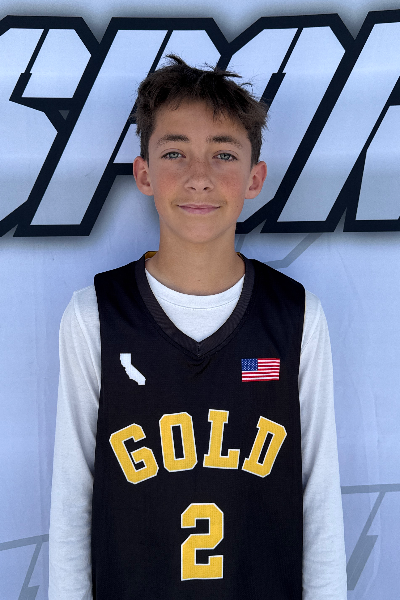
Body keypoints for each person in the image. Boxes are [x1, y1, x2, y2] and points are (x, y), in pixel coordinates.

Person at [49, 55, 347, 599]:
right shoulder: (95, 315)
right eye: (174, 153)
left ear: (255, 178)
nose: (199, 177)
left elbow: (319, 501)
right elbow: (72, 504)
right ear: (144, 173)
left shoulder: (296, 315)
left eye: (223, 154)